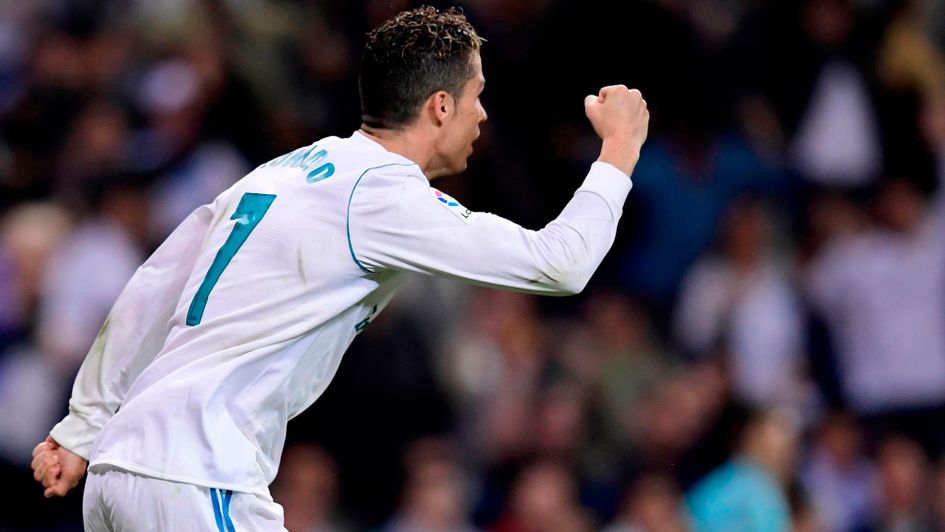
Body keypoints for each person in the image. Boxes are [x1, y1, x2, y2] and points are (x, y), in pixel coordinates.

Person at [30, 6, 649, 530]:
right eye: (476, 96)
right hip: (197, 475)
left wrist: (84, 428)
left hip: (120, 474)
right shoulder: (385, 196)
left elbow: (156, 285)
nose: (482, 116)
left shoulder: (284, 170)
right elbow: (559, 265)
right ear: (439, 106)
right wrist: (618, 153)